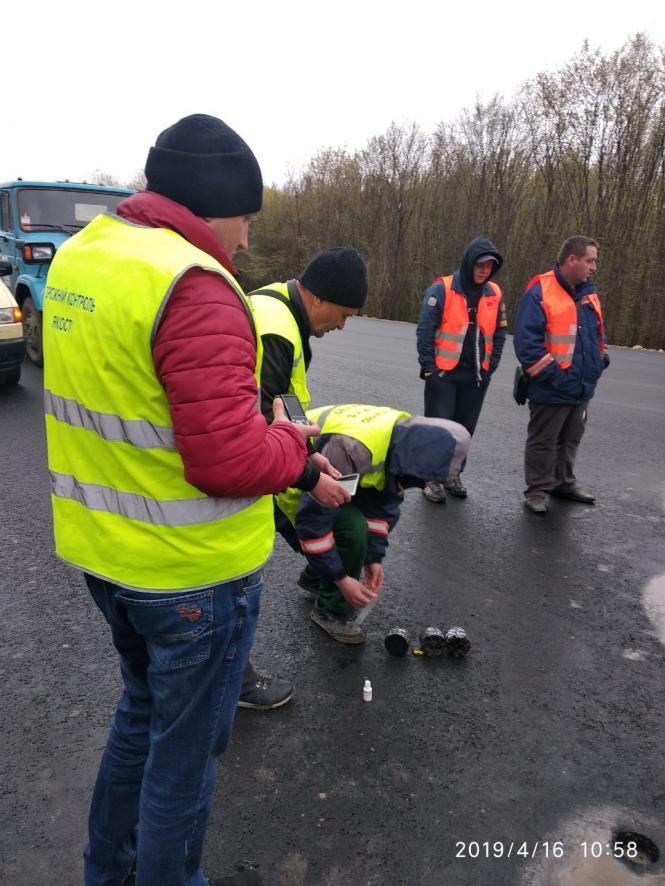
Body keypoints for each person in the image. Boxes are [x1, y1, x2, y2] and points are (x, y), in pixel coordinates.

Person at [42, 114, 315, 886]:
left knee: (141, 716)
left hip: (105, 556)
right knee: (185, 760)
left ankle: (111, 872)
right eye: (243, 221)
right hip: (190, 574)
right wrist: (297, 451)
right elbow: (225, 458)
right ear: (211, 205)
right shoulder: (195, 285)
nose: (244, 243)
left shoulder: (83, 256)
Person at [276, 404, 471, 644]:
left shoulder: (406, 438)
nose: (421, 485)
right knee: (352, 529)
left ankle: (318, 574)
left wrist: (373, 559)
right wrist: (342, 579)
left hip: (339, 475)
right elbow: (313, 523)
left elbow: (384, 505)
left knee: (382, 517)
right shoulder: (352, 450)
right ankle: (331, 609)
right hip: (290, 487)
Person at [248, 247, 368, 629]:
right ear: (318, 296)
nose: (343, 325)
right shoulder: (277, 327)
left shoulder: (280, 306)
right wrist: (312, 480)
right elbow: (264, 419)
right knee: (243, 559)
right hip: (243, 463)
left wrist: (312, 454)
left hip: (255, 453)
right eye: (344, 314)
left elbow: (287, 402)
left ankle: (318, 570)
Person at [513, 235, 609, 514]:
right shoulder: (540, 290)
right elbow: (528, 345)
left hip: (581, 385)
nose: (593, 267)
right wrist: (556, 377)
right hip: (552, 385)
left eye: (594, 262)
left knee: (571, 438)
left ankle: (563, 483)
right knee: (544, 440)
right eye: (589, 261)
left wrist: (600, 361)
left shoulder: (589, 292)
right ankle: (538, 490)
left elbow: (596, 333)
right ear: (572, 260)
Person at [416, 236, 507, 501]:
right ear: (469, 262)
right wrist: (429, 368)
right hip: (443, 374)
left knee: (465, 431)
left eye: (489, 266)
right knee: (440, 429)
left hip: (477, 375)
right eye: (480, 265)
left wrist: (491, 368)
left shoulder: (495, 293)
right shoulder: (442, 289)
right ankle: (432, 479)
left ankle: (452, 474)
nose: (484, 270)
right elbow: (425, 330)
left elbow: (500, 333)